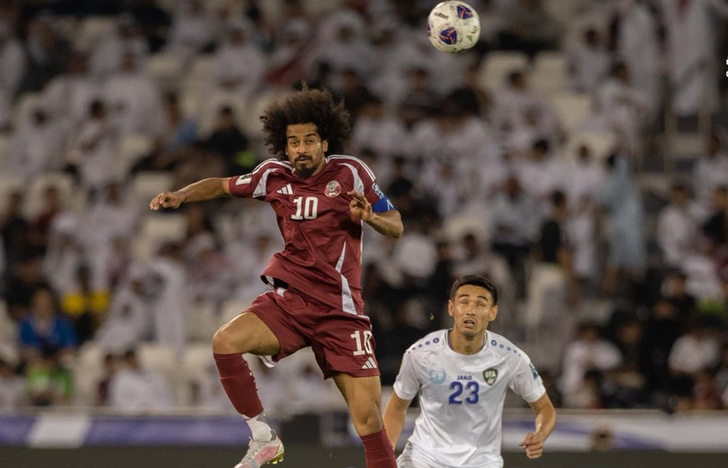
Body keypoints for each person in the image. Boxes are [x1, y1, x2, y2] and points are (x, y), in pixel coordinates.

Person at [150, 87, 403, 468]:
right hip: (291, 303)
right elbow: (220, 184)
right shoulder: (273, 175)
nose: (300, 148)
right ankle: (264, 438)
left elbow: (397, 226)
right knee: (225, 341)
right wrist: (182, 195)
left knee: (368, 421)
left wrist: (370, 218)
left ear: (325, 141)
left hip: (341, 312)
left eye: (309, 140)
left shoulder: (351, 172)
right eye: (293, 141)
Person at [383, 275, 556, 467]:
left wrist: (540, 434)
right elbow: (397, 407)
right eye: (464, 302)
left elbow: (545, 409)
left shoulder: (511, 357)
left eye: (481, 304)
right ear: (451, 308)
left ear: (493, 312)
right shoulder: (420, 353)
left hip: (481, 461)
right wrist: (384, 455)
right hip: (425, 457)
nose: (471, 311)